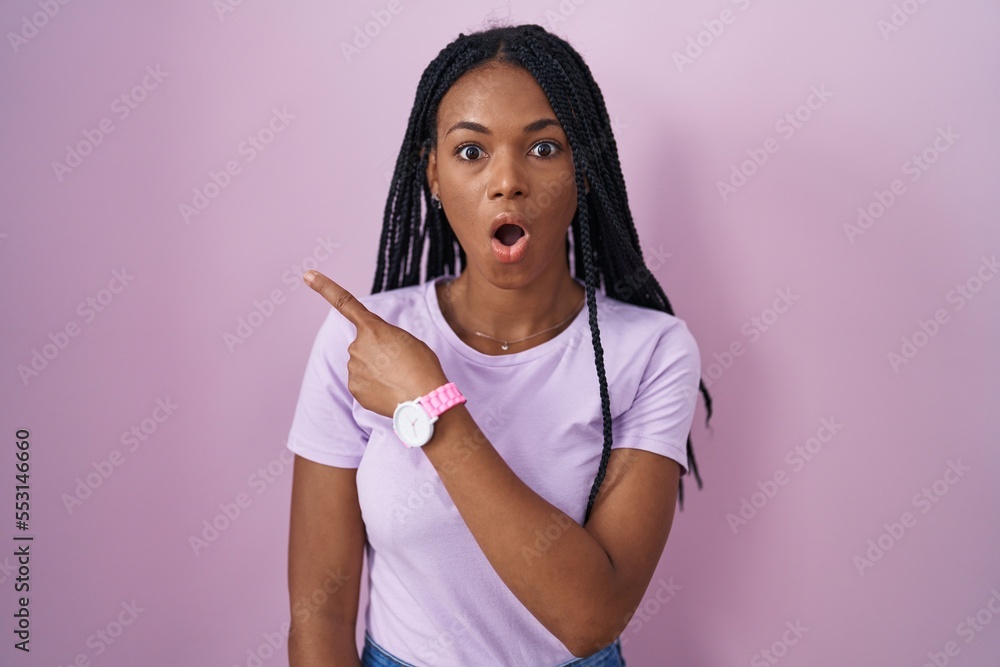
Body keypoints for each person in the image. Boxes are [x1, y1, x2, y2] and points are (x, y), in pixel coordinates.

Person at [285, 23, 713, 667]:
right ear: (432, 174)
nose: (506, 180)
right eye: (470, 152)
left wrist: (433, 406)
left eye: (543, 148)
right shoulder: (363, 343)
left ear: (585, 171)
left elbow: (591, 617)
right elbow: (319, 611)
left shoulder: (652, 351)